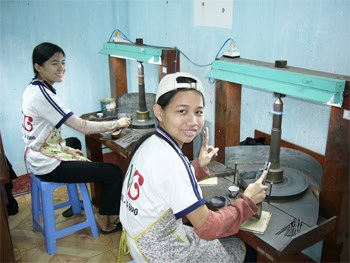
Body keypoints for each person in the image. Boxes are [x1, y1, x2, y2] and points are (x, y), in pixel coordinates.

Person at [119, 72, 268, 262]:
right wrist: (247, 201)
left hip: (141, 243)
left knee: (222, 240)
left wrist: (197, 166)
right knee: (242, 249)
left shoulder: (149, 143)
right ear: (159, 112)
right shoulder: (171, 161)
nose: (193, 121)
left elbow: (165, 184)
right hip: (162, 253)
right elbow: (208, 228)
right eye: (182, 111)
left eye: (198, 112)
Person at [21, 42, 131, 233]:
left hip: (37, 150)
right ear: (38, 67)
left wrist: (66, 149)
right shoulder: (43, 95)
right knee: (112, 172)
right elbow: (82, 126)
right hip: (45, 164)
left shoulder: (34, 88)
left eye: (63, 62)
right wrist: (117, 123)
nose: (61, 68)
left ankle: (75, 203)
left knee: (73, 142)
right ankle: (103, 219)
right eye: (54, 63)